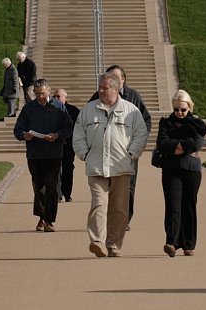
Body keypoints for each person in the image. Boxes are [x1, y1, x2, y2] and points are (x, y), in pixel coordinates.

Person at [73, 72, 148, 257]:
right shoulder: (88, 110)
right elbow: (78, 134)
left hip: (121, 166)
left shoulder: (131, 111)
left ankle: (114, 244)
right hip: (96, 165)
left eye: (104, 88)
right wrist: (84, 154)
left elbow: (141, 134)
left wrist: (132, 154)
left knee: (119, 209)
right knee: (99, 203)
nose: (100, 91)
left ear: (115, 89)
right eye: (99, 87)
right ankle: (97, 241)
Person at [87, 64, 151, 227]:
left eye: (116, 78)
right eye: (110, 77)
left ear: (123, 80)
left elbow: (146, 121)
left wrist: (136, 145)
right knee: (103, 187)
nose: (113, 81)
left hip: (126, 152)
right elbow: (85, 120)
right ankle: (107, 218)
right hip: (103, 151)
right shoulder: (97, 96)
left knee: (127, 187)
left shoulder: (133, 96)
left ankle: (124, 219)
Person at [13, 79, 71, 233]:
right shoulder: (28, 108)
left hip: (53, 153)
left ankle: (49, 221)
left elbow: (68, 129)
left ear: (49, 92)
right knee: (39, 187)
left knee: (51, 186)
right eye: (37, 94)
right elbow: (17, 130)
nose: (40, 97)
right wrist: (24, 135)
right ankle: (41, 217)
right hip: (35, 154)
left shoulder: (59, 107)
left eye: (43, 94)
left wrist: (57, 135)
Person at [156, 89, 206, 257]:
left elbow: (197, 143)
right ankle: (171, 242)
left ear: (189, 108)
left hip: (191, 170)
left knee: (188, 205)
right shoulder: (166, 123)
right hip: (171, 169)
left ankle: (189, 244)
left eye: (183, 109)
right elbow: (162, 144)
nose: (179, 113)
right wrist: (182, 147)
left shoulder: (197, 124)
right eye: (177, 109)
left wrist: (176, 146)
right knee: (173, 205)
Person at [51, 87, 81, 202]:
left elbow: (78, 128)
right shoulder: (50, 109)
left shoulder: (73, 111)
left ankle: (67, 194)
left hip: (68, 145)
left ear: (65, 97)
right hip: (54, 145)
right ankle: (58, 194)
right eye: (55, 96)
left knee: (68, 169)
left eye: (58, 96)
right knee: (55, 169)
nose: (56, 98)